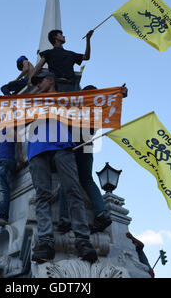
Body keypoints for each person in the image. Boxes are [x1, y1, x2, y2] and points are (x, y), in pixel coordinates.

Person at [26, 70, 100, 264]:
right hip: (37, 149)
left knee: (73, 191)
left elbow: (91, 103)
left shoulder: (67, 99)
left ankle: (83, 241)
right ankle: (46, 242)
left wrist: (116, 96)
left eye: (40, 81)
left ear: (51, 80)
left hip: (61, 145)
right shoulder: (31, 103)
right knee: (42, 195)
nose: (38, 85)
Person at [57, 85, 117, 234]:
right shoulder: (97, 111)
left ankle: (65, 217)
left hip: (74, 144)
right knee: (87, 179)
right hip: (88, 144)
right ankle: (102, 211)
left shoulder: (77, 107)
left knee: (67, 179)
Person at [28, 29, 94, 92]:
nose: (63, 36)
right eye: (61, 34)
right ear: (55, 37)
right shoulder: (48, 53)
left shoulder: (70, 54)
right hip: (58, 86)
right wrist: (30, 79)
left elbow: (86, 57)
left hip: (72, 86)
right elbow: (38, 67)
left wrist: (88, 40)